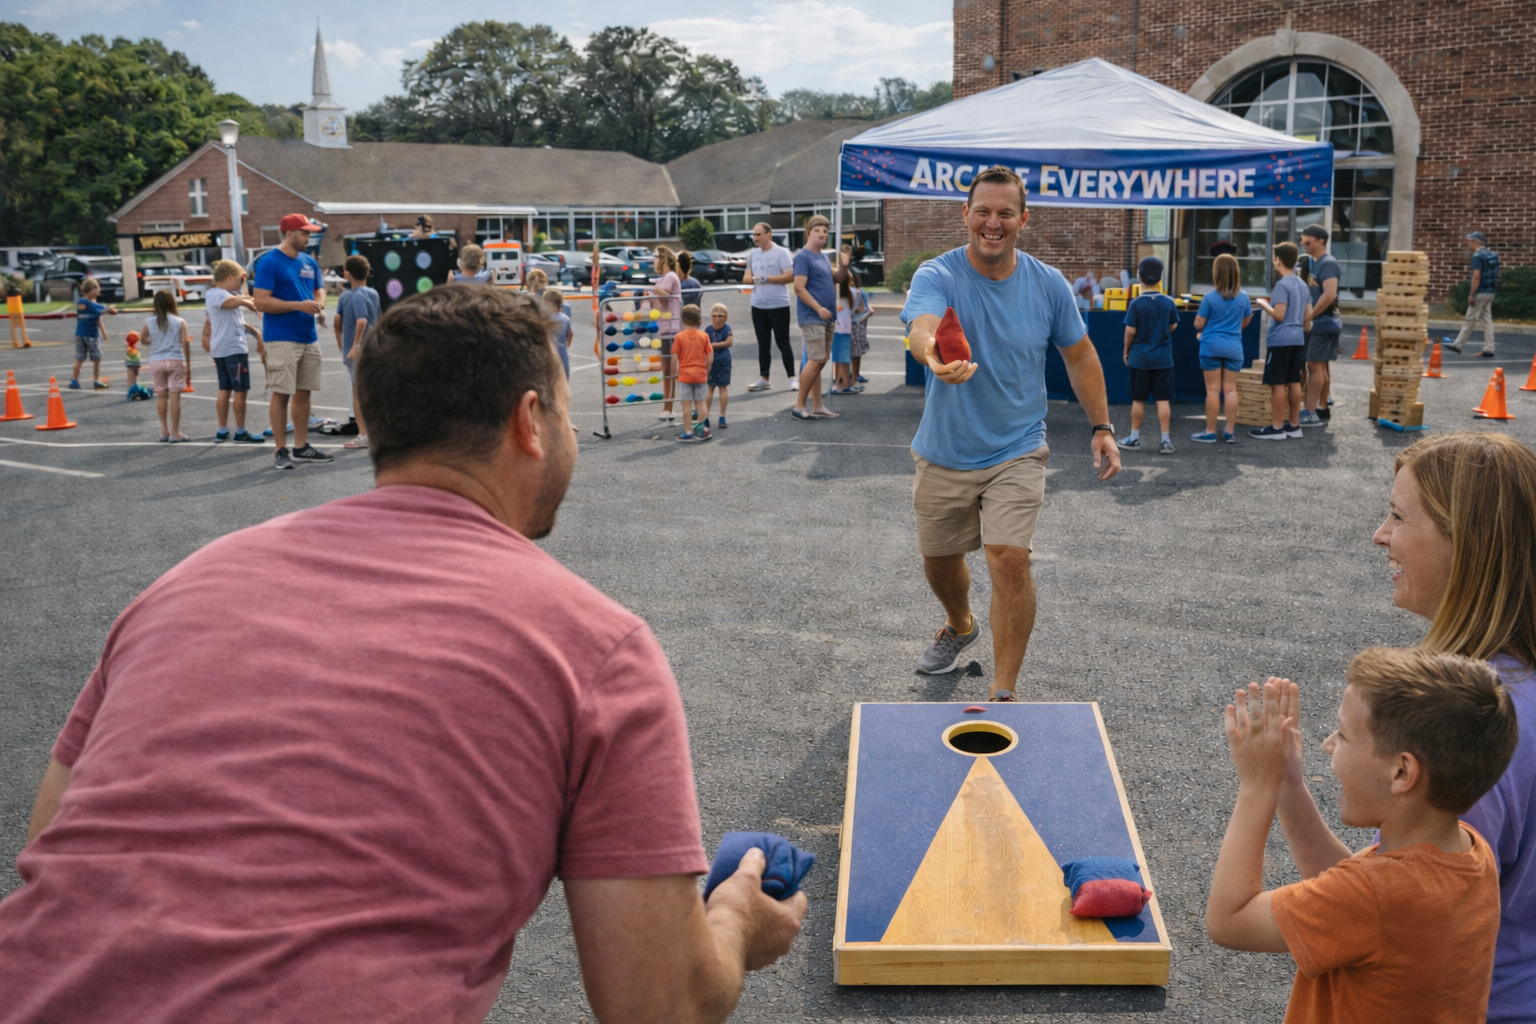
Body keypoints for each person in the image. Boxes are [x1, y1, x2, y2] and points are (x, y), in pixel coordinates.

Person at [0, 284, 805, 1023]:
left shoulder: (183, 583)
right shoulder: (594, 646)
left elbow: (51, 836)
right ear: (530, 421)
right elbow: (656, 1003)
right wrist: (737, 919)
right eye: (564, 408)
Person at [902, 165, 1120, 702]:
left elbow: (1081, 353)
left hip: (1017, 449)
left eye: (1004, 213)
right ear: (966, 215)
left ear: (1024, 218)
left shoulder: (1047, 283)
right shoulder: (939, 274)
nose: (992, 223)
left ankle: (1003, 691)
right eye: (983, 211)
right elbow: (921, 326)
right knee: (939, 561)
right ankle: (960, 622)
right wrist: (932, 355)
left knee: (1009, 558)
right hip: (944, 451)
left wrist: (1103, 426)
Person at [1205, 649, 1516, 1023]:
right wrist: (1289, 786)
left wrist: (1257, 786)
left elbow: (1229, 920)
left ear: (1402, 772)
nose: (1328, 744)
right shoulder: (1469, 854)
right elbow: (1355, 894)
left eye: (1343, 733)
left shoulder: (1374, 895)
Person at [1371, 431, 1536, 1020]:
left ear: (1465, 542)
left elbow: (1396, 920)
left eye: (1395, 516)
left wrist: (1267, 790)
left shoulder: (1466, 721)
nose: (1380, 535)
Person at [253, 212, 333, 470]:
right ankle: (281, 450)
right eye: (305, 232)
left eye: (310, 232)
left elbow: (319, 291)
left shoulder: (309, 261)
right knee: (281, 393)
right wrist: (298, 305)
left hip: (308, 336)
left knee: (304, 393)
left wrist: (318, 307)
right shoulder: (269, 262)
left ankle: (301, 447)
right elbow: (260, 301)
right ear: (289, 233)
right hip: (281, 337)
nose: (309, 237)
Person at [1117, 256, 1178, 455]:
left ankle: (1134, 437)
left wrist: (1126, 351)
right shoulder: (1169, 302)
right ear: (1160, 278)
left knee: (1138, 399)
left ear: (1140, 277)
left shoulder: (1136, 304)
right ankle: (1166, 440)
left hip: (1140, 359)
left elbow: (1130, 331)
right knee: (1163, 400)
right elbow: (1173, 325)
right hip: (1163, 359)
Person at [1250, 242, 1310, 441]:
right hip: (1298, 338)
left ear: (1279, 260)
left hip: (1280, 340)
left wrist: (1263, 303)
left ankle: (1276, 428)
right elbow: (1306, 318)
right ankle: (1294, 425)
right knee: (1294, 380)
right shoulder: (1303, 284)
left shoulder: (1282, 285)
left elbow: (1279, 315)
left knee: (1277, 383)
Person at [202, 260, 265, 444]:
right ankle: (240, 431)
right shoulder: (218, 294)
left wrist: (253, 330)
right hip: (232, 349)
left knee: (225, 388)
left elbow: (234, 319)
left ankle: (223, 430)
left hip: (222, 349)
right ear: (230, 277)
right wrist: (251, 302)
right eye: (240, 280)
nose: (241, 284)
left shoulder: (219, 294)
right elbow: (234, 301)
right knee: (240, 390)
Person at [1191, 253, 1252, 444]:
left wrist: (1207, 331)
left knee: (1212, 390)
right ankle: (1229, 431)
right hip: (1234, 347)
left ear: (1216, 273)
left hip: (1211, 347)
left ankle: (1210, 431)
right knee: (1231, 390)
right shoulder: (1244, 298)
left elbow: (1198, 324)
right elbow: (1247, 320)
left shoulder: (1209, 298)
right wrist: (1232, 330)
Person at [791, 215, 844, 420]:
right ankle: (799, 405)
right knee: (816, 360)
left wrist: (845, 265)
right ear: (808, 233)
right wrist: (818, 307)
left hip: (827, 317)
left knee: (820, 361)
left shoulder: (823, 257)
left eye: (825, 231)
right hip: (813, 316)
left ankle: (817, 406)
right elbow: (798, 287)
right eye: (818, 231)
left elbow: (838, 278)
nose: (823, 234)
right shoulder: (803, 257)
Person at [335, 254, 380, 451]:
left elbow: (359, 321)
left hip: (358, 350)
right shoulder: (374, 293)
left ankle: (363, 434)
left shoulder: (351, 295)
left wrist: (353, 345)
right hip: (373, 346)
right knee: (372, 391)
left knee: (357, 392)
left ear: (347, 273)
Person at [743, 223, 796, 392]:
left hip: (778, 304)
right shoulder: (753, 254)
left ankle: (792, 378)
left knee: (783, 342)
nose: (755, 238)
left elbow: (790, 276)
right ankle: (764, 378)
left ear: (769, 234)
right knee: (763, 343)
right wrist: (753, 279)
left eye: (759, 234)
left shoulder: (782, 252)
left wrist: (768, 279)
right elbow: (746, 279)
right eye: (754, 234)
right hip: (758, 304)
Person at [1298, 224, 1341, 423]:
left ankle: (1311, 411)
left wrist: (1310, 316)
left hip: (1324, 323)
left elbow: (1330, 294)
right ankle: (1321, 408)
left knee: (1314, 366)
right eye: (1302, 240)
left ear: (1321, 241)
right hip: (1321, 322)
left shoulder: (1328, 263)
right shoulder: (1314, 263)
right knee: (1319, 366)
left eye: (1308, 241)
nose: (1303, 244)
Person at [142, 290, 192, 443]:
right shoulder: (179, 321)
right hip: (175, 360)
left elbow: (143, 339)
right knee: (175, 397)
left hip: (156, 361)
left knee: (161, 396)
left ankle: (164, 430)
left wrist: (155, 341)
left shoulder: (149, 322)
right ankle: (175, 432)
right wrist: (188, 365)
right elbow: (185, 342)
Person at [1450, 230, 1500, 357]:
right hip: (1490, 291)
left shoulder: (1477, 257)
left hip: (1480, 292)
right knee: (1486, 320)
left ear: (1477, 242)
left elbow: (1476, 277)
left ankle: (1458, 345)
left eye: (1471, 242)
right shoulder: (1491, 255)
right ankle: (1489, 348)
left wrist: (1471, 294)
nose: (1469, 244)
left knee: (1470, 319)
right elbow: (1496, 274)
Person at [649, 246, 683, 422]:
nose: (653, 260)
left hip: (672, 329)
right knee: (666, 370)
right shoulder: (661, 279)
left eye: (655, 257)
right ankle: (667, 406)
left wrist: (653, 291)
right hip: (663, 329)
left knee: (670, 371)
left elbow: (664, 298)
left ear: (663, 258)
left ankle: (668, 407)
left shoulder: (670, 277)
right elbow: (656, 304)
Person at [671, 303, 713, 442]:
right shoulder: (704, 336)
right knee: (700, 403)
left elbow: (674, 357)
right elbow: (710, 356)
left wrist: (674, 372)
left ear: (683, 320)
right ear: (699, 320)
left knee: (686, 404)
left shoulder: (679, 337)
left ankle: (688, 431)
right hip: (701, 375)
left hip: (685, 376)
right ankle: (701, 429)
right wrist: (707, 369)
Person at [70, 277, 117, 390]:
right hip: (90, 335)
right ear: (91, 290)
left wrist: (104, 332)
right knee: (97, 358)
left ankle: (74, 380)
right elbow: (98, 308)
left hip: (79, 334)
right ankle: (96, 380)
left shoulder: (81, 302)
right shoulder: (87, 303)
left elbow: (97, 316)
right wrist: (108, 309)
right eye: (96, 290)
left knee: (79, 357)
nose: (97, 293)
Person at [704, 302, 732, 429]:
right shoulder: (727, 329)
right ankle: (722, 416)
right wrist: (718, 345)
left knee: (710, 388)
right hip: (724, 359)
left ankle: (705, 417)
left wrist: (711, 346)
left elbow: (704, 344)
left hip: (710, 359)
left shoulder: (708, 330)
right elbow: (729, 342)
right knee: (723, 387)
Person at [829, 271, 856, 395]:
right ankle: (843, 382)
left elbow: (834, 309)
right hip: (845, 329)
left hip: (838, 329)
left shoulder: (838, 296)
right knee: (842, 357)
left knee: (840, 357)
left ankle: (843, 383)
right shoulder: (849, 294)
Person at [542, 287, 572, 380]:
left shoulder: (542, 318)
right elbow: (570, 334)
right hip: (561, 351)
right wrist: (566, 345)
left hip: (546, 352)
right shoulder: (565, 318)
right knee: (563, 376)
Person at [849, 271, 871, 386]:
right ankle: (854, 375)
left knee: (853, 352)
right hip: (858, 323)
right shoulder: (858, 291)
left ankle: (853, 375)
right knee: (855, 352)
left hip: (855, 323)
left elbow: (863, 308)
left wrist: (851, 313)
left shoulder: (856, 292)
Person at [122, 330, 151, 401]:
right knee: (132, 381)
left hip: (130, 366)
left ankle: (134, 393)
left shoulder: (130, 349)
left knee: (131, 381)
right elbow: (135, 361)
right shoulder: (134, 350)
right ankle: (132, 394)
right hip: (133, 366)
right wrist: (137, 368)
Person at [7, 281, 32, 348]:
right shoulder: (17, 290)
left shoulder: (9, 293)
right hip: (17, 303)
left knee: (13, 323)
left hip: (11, 303)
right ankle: (25, 340)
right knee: (21, 323)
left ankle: (15, 341)